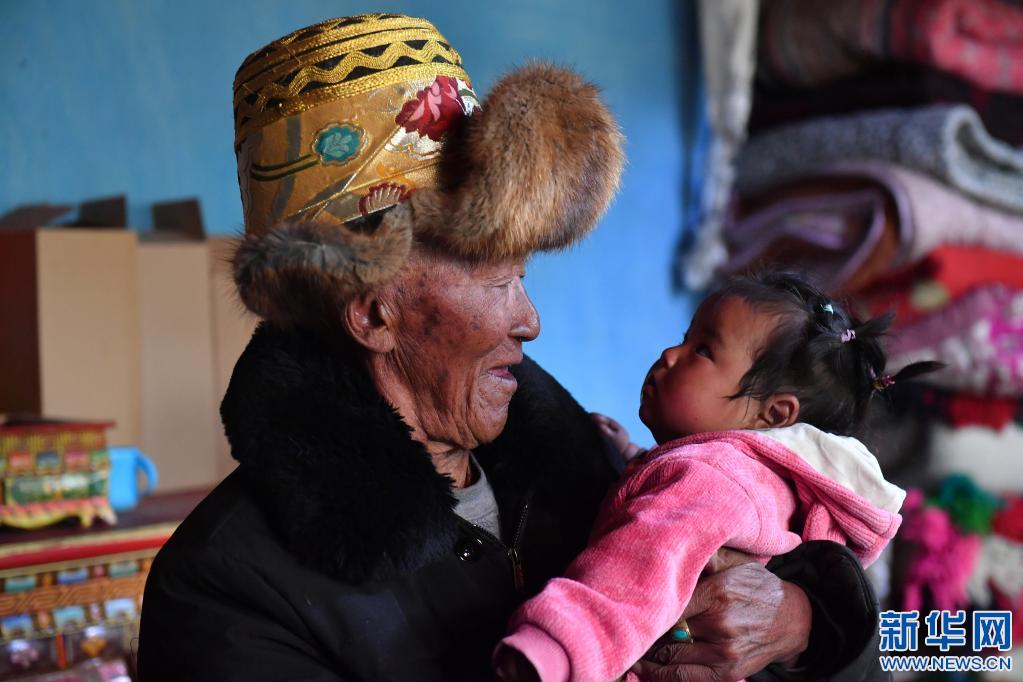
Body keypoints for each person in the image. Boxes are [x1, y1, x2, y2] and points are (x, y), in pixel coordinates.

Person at [138, 14, 888, 681]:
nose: (531, 321)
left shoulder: (589, 463)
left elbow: (875, 655)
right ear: (371, 314)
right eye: (498, 279)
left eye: (523, 275)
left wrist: (798, 627)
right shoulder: (226, 589)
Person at [495, 271, 940, 682]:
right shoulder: (755, 482)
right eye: (685, 339)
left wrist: (555, 647)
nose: (670, 355)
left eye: (703, 351)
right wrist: (633, 458)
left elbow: (637, 571)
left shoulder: (707, 479)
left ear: (773, 414)